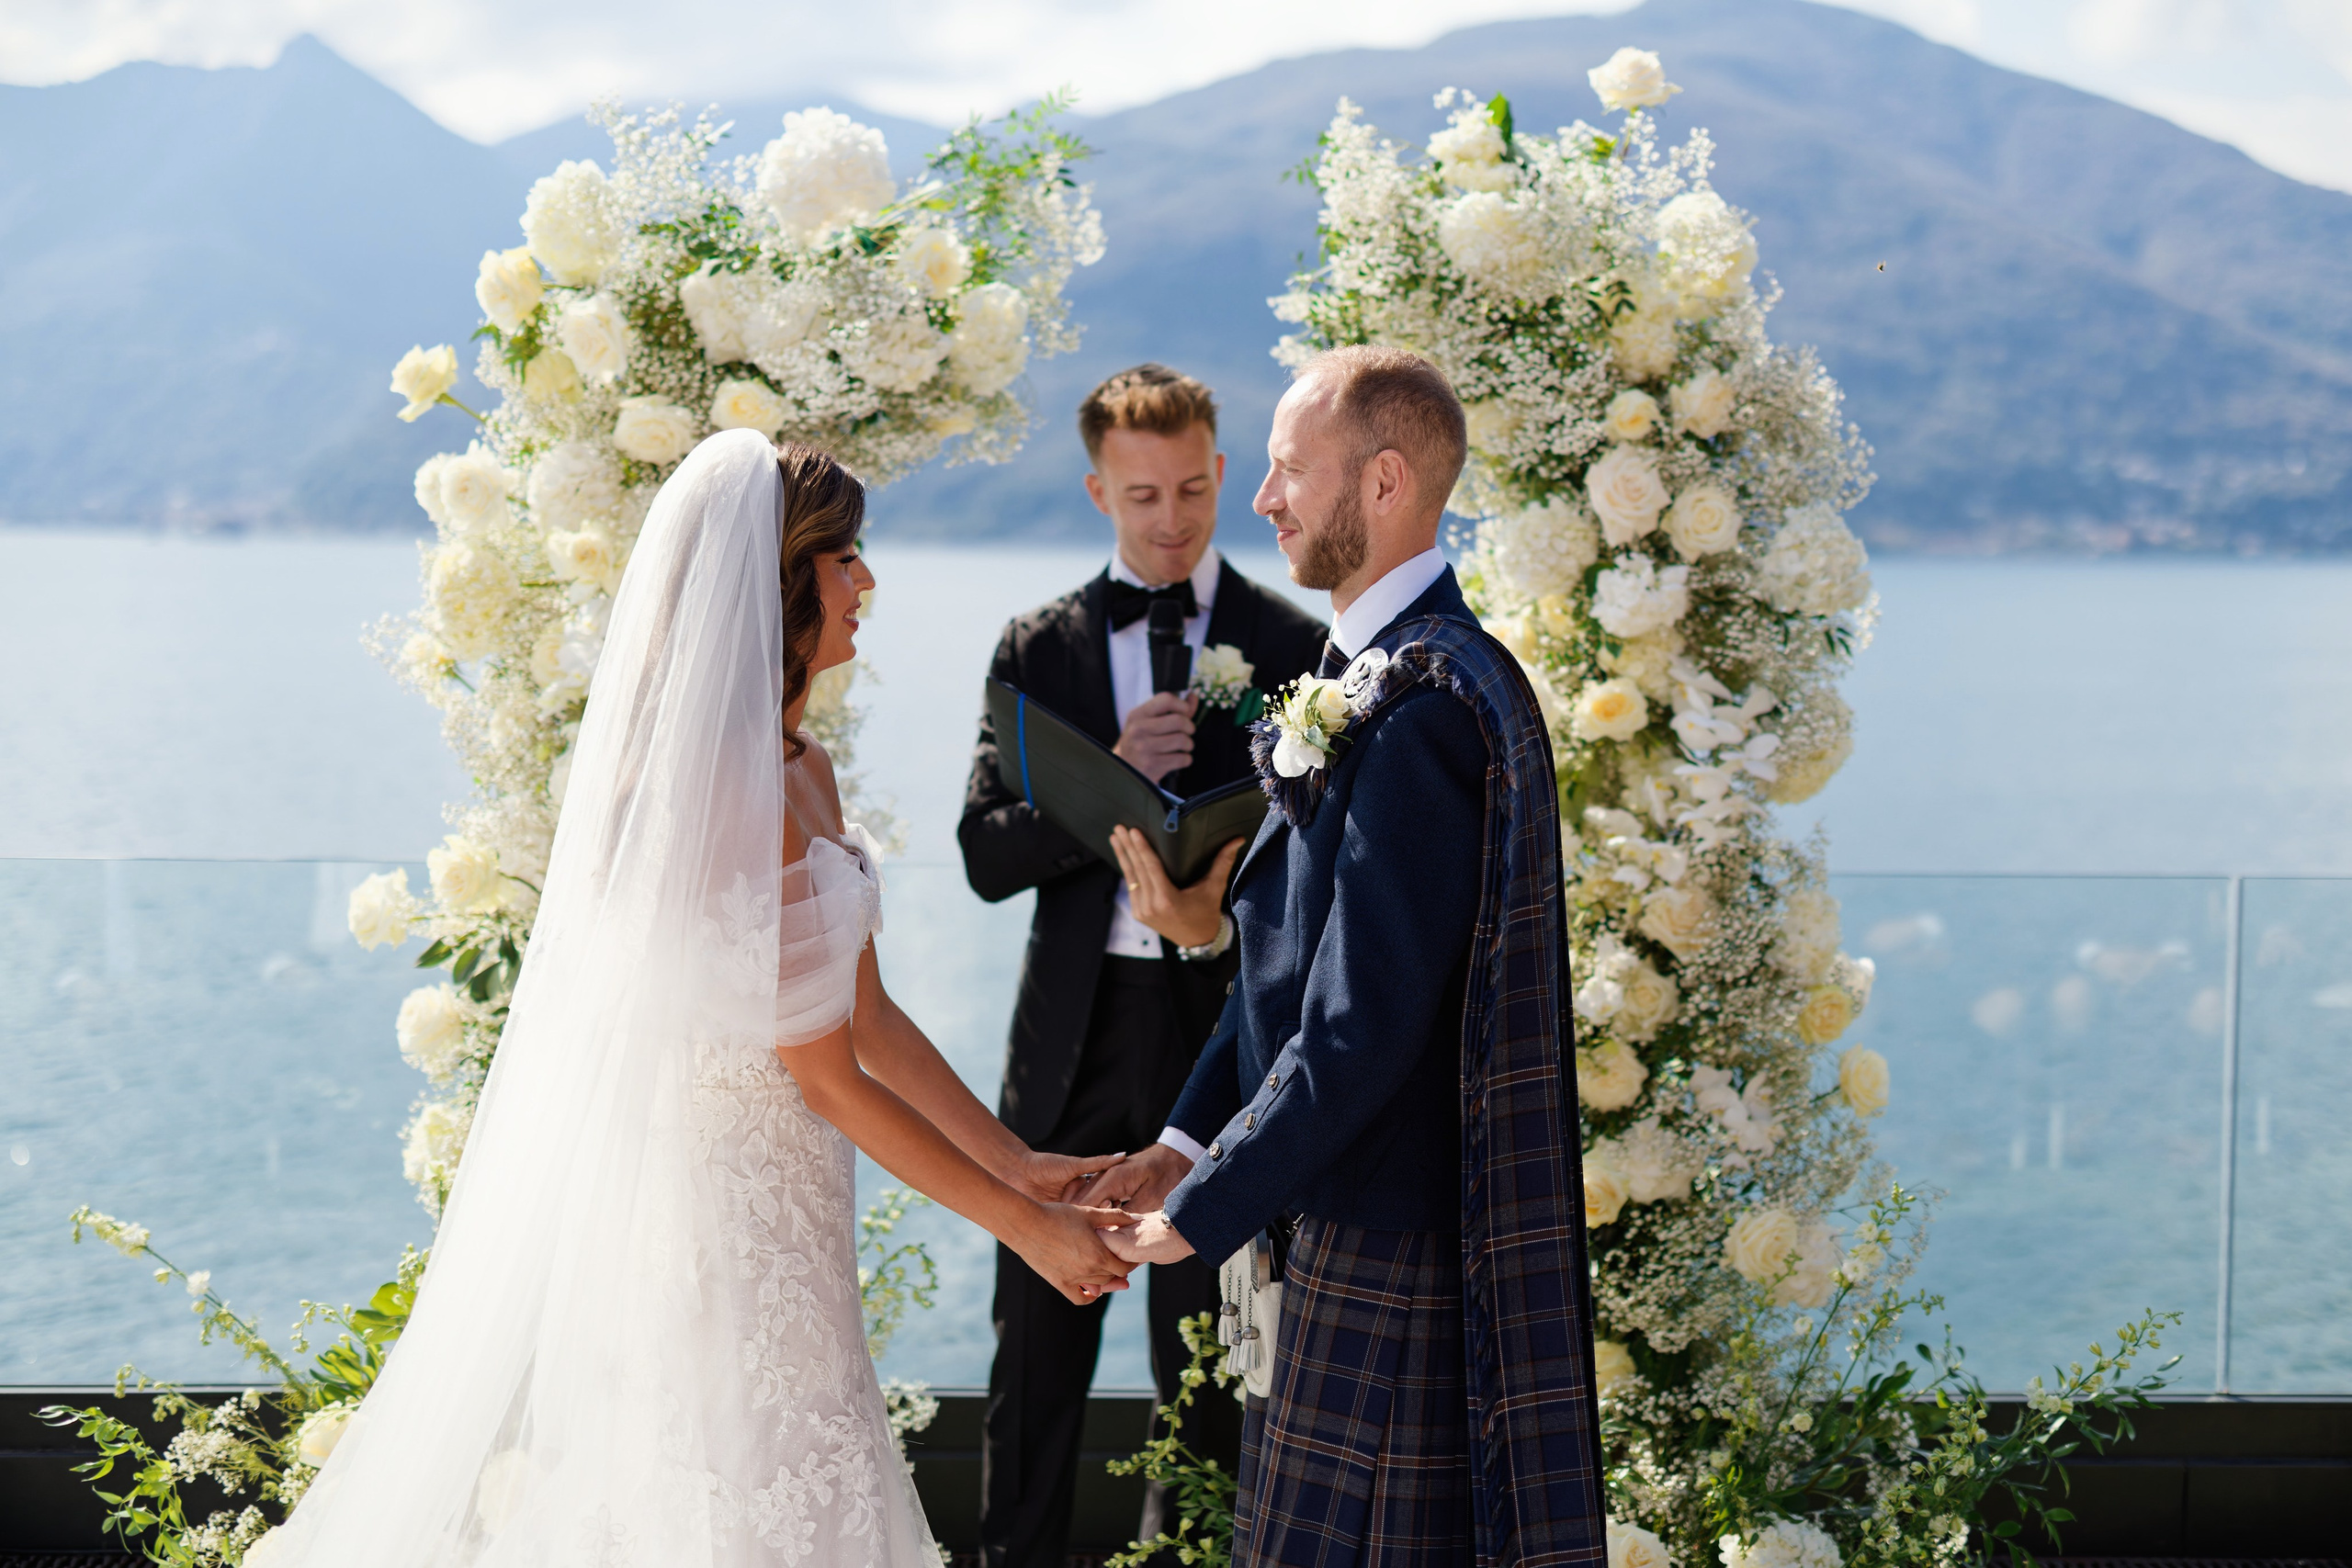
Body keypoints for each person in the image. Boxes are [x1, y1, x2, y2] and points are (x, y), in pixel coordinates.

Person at [253, 430, 1138, 1568]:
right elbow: (820, 1076)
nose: (867, 581)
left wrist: (1022, 1165)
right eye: (846, 558)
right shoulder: (727, 802)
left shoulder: (805, 768)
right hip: (724, 1231)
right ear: (783, 583)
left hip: (800, 1227)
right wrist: (1024, 1232)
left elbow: (869, 1021)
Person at [1095, 348, 1610, 1565]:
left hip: (1383, 1247)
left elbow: (1359, 1025)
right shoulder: (1373, 677)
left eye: (1286, 469)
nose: (1262, 498)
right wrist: (1177, 1145)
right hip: (1324, 1226)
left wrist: (1198, 1213)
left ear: (1381, 483)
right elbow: (1282, 966)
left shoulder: (1427, 708)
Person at [958, 364, 1328, 1568]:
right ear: (1096, 491)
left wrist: (1215, 909)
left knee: (1206, 1359)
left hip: (1211, 1036)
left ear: (1222, 472)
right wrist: (1104, 778)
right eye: (1139, 497)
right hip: (1065, 1035)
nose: (1167, 520)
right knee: (1035, 1352)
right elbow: (982, 854)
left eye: (1187, 489)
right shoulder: (1038, 646)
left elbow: (1316, 862)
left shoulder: (1293, 644)